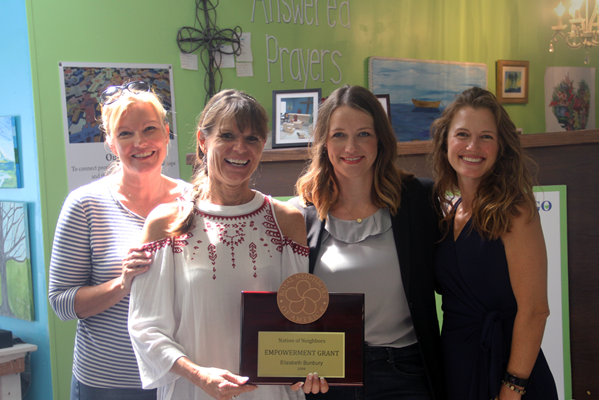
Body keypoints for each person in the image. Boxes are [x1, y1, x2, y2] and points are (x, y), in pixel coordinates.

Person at [127, 89, 328, 400]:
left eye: (252, 138)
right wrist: (199, 374)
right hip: (193, 392)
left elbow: (300, 319)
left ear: (263, 146)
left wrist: (312, 363)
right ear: (203, 141)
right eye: (227, 135)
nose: (240, 148)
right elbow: (145, 328)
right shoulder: (165, 223)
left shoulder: (286, 220)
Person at [291, 85, 445, 400]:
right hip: (328, 378)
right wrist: (298, 361)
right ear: (323, 142)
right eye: (338, 135)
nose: (351, 146)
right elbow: (287, 305)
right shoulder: (299, 214)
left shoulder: (419, 200)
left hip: (406, 373)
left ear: (381, 140)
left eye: (363, 134)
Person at [49, 81, 191, 399]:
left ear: (167, 133)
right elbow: (61, 302)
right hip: (107, 382)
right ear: (111, 143)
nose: (140, 142)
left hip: (180, 375)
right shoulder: (85, 204)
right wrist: (123, 284)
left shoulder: (193, 200)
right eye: (125, 133)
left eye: (150, 129)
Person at [430, 87, 559, 400]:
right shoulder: (447, 214)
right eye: (462, 134)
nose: (473, 146)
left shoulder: (516, 210)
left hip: (508, 373)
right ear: (446, 140)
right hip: (456, 367)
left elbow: (535, 311)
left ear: (501, 146)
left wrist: (511, 389)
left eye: (486, 136)